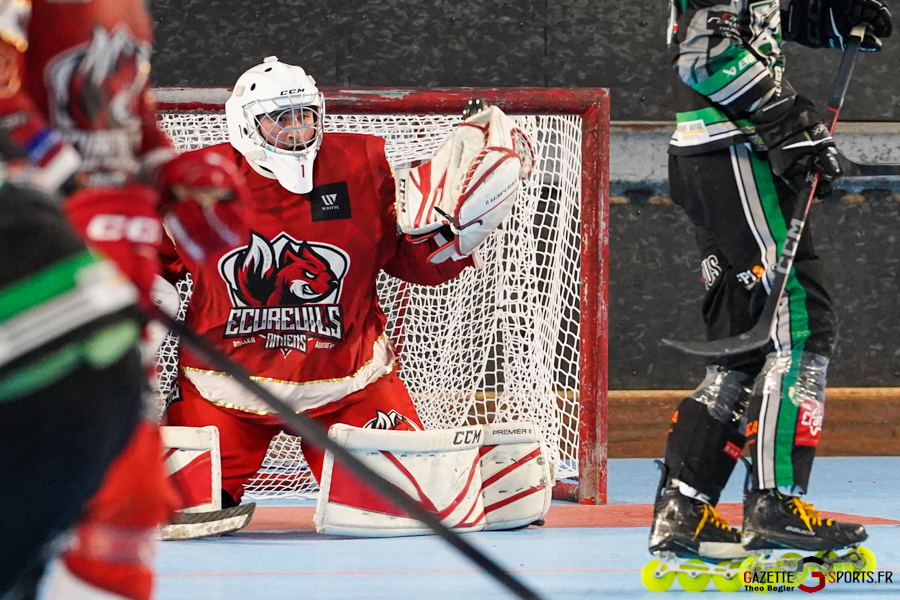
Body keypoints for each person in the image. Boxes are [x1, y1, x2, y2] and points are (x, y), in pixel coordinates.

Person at [160, 57, 534, 513]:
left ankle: (476, 476)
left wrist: (456, 236)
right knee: (176, 508)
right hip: (225, 388)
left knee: (410, 508)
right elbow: (153, 264)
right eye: (280, 119)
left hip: (347, 386)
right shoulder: (194, 183)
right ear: (245, 125)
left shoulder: (360, 167)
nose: (297, 130)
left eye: (304, 115)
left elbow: (409, 262)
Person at [0, 1, 248, 598]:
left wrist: (173, 175)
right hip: (30, 254)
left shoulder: (124, 7)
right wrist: (77, 186)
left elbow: (128, 115)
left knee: (131, 491)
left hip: (108, 259)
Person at [648, 0, 892, 571]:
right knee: (801, 327)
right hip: (733, 150)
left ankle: (683, 511)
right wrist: (786, 115)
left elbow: (757, 20)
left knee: (744, 346)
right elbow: (706, 56)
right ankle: (773, 506)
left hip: (716, 151)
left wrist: (827, 17)